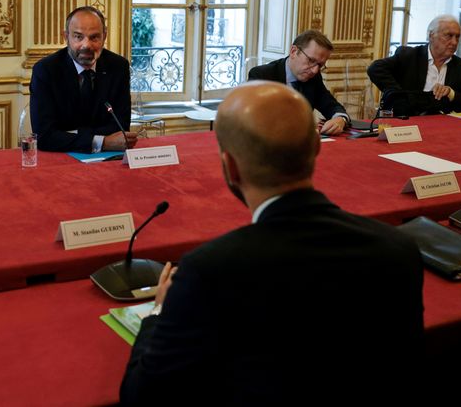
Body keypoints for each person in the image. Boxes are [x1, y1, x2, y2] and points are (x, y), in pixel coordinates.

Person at [120, 81, 423, 405]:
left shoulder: (208, 270)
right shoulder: (398, 249)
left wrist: (160, 310)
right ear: (316, 149)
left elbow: (142, 395)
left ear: (230, 166)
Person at [29, 6, 138, 152]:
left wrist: (69, 135)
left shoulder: (118, 67)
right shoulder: (46, 70)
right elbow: (44, 137)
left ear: (104, 37)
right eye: (78, 37)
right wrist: (102, 142)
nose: (86, 45)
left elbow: (120, 127)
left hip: (108, 160)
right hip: (60, 159)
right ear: (66, 37)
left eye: (94, 37)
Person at [248, 30, 350, 135]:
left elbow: (331, 105)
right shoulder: (262, 75)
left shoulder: (313, 77)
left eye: (319, 65)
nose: (314, 70)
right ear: (293, 51)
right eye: (311, 60)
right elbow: (254, 118)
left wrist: (340, 119)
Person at [367, 14, 461, 115]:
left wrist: (450, 92)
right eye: (449, 36)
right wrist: (398, 94)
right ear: (431, 35)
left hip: (440, 124)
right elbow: (375, 68)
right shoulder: (409, 56)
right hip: (406, 122)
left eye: (457, 37)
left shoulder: (459, 66)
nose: (454, 42)